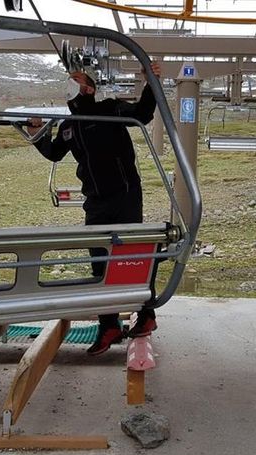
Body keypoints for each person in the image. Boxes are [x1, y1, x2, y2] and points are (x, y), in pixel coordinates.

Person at [28, 63, 162, 356]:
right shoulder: (69, 127)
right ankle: (109, 325)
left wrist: (150, 82)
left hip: (124, 195)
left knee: (131, 257)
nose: (70, 84)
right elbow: (53, 152)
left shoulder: (110, 110)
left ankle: (146, 315)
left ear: (88, 88)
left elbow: (142, 113)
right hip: (96, 201)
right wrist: (36, 133)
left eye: (75, 80)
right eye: (68, 80)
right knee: (100, 263)